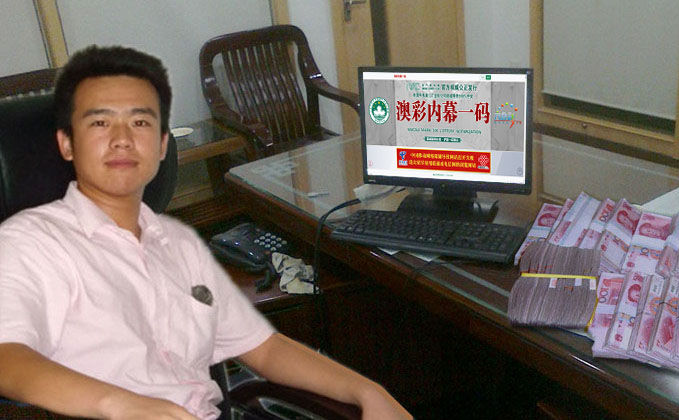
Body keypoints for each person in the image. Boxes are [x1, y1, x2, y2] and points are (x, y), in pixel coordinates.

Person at [0, 45, 411, 420]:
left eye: (140, 122)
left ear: (162, 146)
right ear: (67, 144)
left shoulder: (179, 244)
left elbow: (264, 349)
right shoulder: (30, 242)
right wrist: (120, 404)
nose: (122, 140)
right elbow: (6, 358)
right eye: (100, 122)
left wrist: (367, 391)